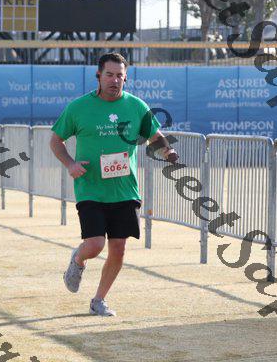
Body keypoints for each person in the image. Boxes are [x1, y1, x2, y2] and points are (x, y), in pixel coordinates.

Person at [49, 52, 179, 317]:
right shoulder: (78, 107)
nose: (115, 80)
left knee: (118, 249)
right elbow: (55, 140)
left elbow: (155, 136)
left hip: (124, 189)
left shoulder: (136, 106)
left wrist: (168, 151)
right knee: (95, 245)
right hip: (90, 187)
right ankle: (78, 259)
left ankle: (98, 300)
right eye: (109, 75)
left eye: (120, 75)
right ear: (98, 76)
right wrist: (70, 164)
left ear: (125, 78)